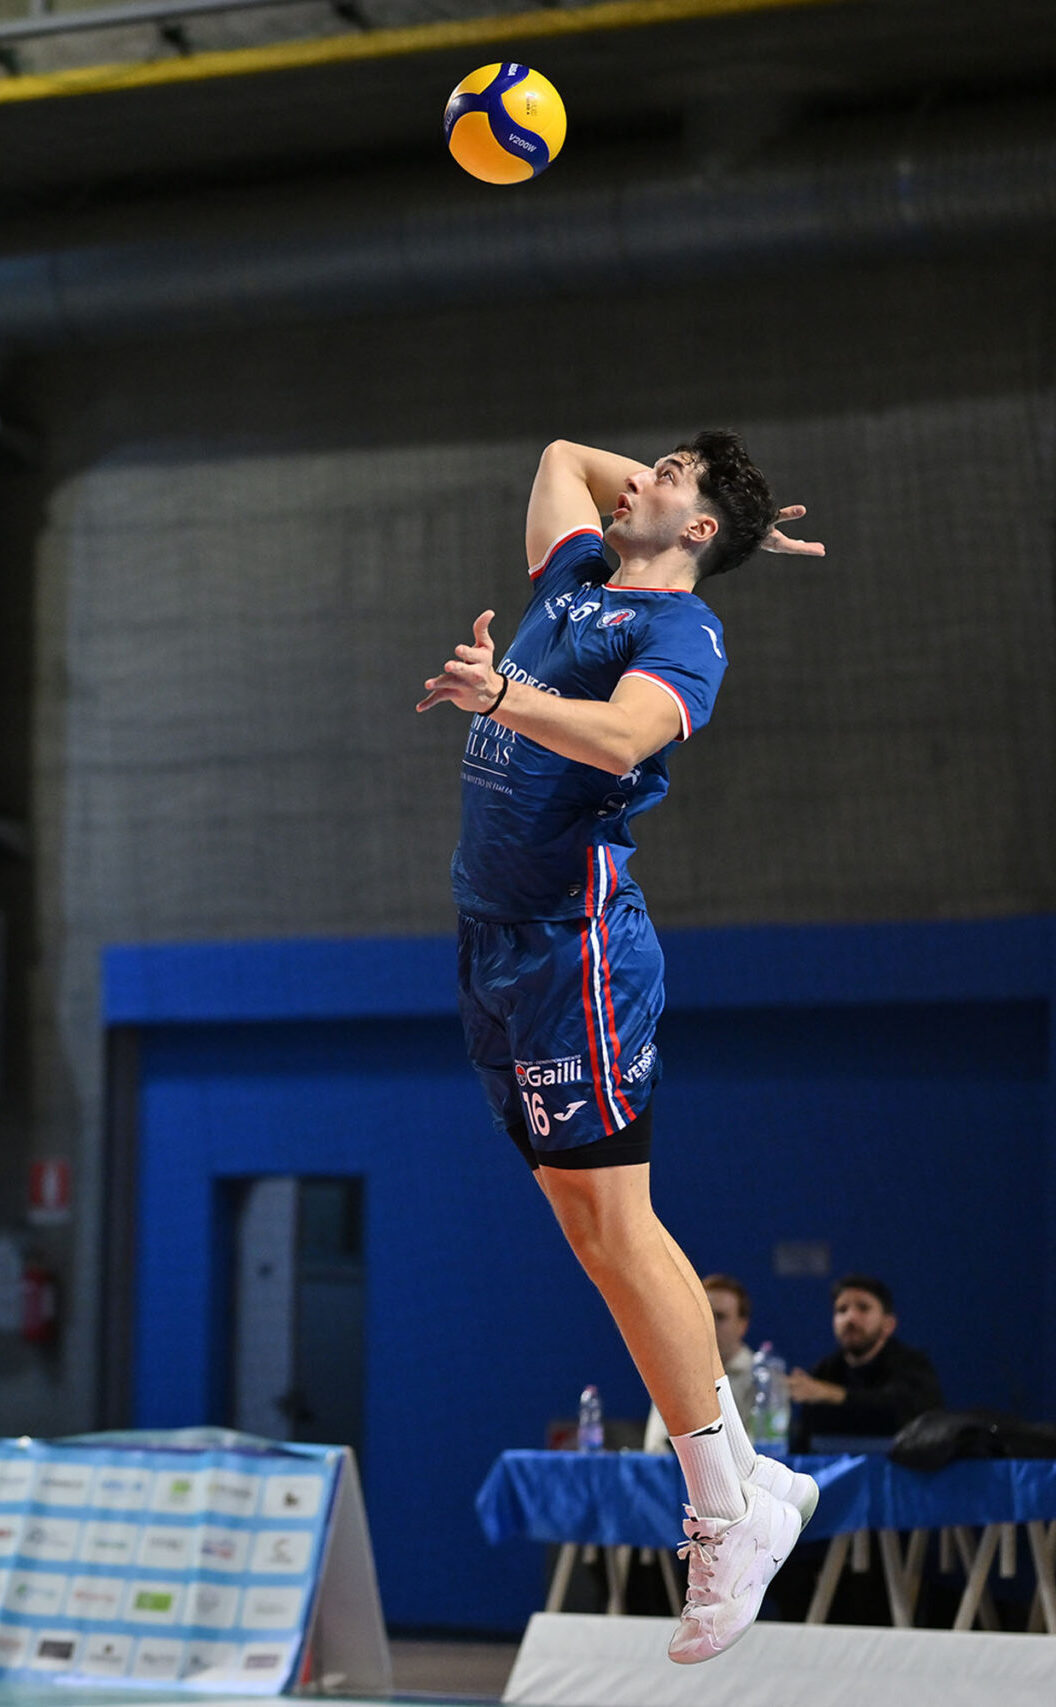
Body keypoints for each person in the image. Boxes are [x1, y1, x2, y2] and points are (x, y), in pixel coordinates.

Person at [417, 434, 823, 1663]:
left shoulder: (684, 634)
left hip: (574, 945)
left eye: (666, 476)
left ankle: (723, 1514)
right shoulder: (576, 575)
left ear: (694, 534)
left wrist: (502, 697)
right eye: (645, 464)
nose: (633, 477)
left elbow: (620, 741)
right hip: (491, 939)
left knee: (615, 1231)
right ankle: (754, 1480)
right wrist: (726, 509)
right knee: (597, 1235)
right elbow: (560, 455)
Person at [786, 1273, 945, 1448]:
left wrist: (833, 1394)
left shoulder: (913, 1365)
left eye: (863, 1308)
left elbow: (905, 1412)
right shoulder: (825, 1370)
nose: (850, 1318)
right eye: (842, 1310)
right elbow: (806, 1440)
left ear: (888, 1324)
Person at [644, 1274, 755, 1450]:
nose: (710, 1324)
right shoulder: (675, 1373)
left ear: (742, 1325)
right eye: (703, 1315)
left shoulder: (762, 1378)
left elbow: (761, 1449)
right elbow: (656, 1448)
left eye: (720, 1317)